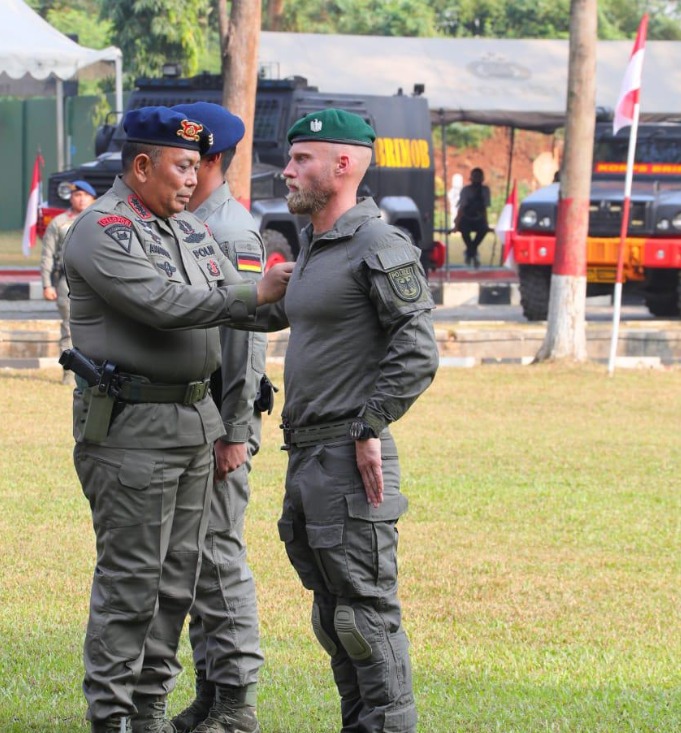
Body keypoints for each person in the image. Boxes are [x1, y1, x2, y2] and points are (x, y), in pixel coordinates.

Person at [61, 105, 292, 733]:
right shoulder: (103, 230)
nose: (194, 179)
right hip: (133, 434)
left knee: (175, 587)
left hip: (193, 427)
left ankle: (151, 710)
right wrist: (258, 293)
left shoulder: (186, 229)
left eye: (197, 167)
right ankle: (112, 719)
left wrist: (312, 288)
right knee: (131, 585)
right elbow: (166, 304)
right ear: (142, 165)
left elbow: (239, 309)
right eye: (182, 166)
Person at [260, 109, 439, 733]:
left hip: (348, 455)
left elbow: (417, 348)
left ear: (343, 165)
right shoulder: (315, 246)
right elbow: (272, 318)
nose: (287, 170)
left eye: (301, 158)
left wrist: (370, 426)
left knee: (365, 613)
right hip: (307, 454)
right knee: (333, 612)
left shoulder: (379, 245)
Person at [167, 102, 268, 733]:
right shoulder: (189, 222)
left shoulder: (230, 231)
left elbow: (246, 341)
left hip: (222, 422)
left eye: (185, 159)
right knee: (193, 563)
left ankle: (236, 706)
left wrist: (235, 431)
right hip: (194, 420)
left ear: (208, 161)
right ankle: (209, 692)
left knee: (218, 558)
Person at [39, 179, 96, 384]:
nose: (80, 199)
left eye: (84, 195)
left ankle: (95, 372)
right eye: (76, 195)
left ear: (93, 198)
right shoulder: (59, 222)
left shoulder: (100, 219)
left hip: (98, 282)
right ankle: (69, 374)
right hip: (68, 282)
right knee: (69, 328)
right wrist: (47, 284)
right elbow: (47, 255)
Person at [453, 166, 491, 268]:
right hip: (467, 218)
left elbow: (484, 209)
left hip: (479, 218)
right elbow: (461, 207)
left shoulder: (485, 190)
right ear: (471, 178)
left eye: (479, 176)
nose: (477, 179)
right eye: (475, 176)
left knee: (483, 230)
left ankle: (471, 251)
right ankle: (472, 252)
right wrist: (456, 224)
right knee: (464, 230)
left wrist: (486, 223)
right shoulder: (466, 190)